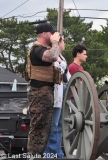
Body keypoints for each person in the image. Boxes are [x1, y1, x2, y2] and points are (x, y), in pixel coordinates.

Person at [26, 23, 61, 157]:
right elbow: (52, 56)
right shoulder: (37, 50)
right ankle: (33, 156)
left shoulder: (43, 49)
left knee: (44, 130)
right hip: (39, 94)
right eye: (51, 34)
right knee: (38, 129)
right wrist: (55, 42)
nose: (53, 36)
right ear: (45, 34)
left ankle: (37, 155)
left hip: (45, 94)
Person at [44, 35, 67, 158]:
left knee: (58, 126)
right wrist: (61, 63)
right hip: (52, 93)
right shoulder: (51, 55)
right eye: (64, 41)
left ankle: (57, 152)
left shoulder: (61, 57)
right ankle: (49, 154)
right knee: (52, 126)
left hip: (60, 92)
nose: (65, 44)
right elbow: (58, 70)